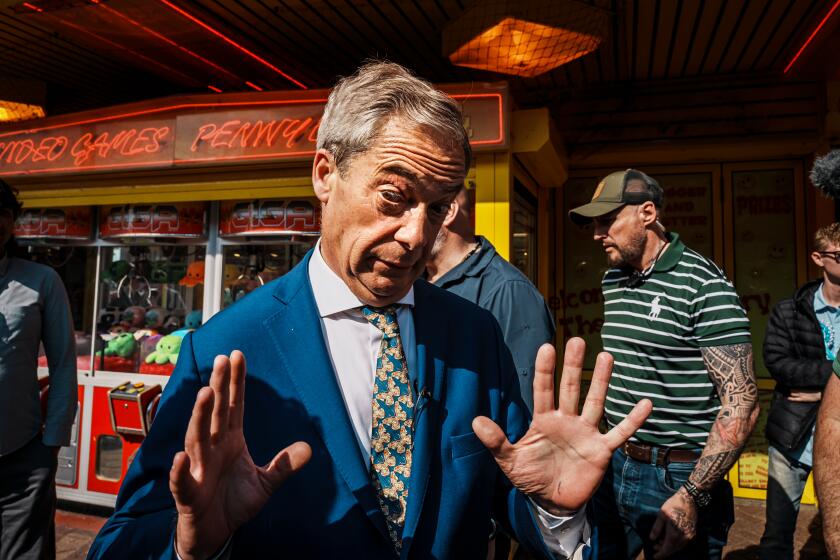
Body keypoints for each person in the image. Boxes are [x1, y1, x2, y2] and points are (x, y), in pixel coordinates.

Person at [87, 62, 651, 560]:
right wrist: (194, 547)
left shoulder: (473, 335)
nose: (416, 236)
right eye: (394, 197)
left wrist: (557, 514)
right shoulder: (224, 351)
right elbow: (126, 538)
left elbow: (511, 495)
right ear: (325, 174)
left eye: (437, 208)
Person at [569, 169, 759, 559]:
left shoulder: (703, 285)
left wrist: (692, 494)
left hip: (679, 475)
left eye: (607, 221)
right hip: (615, 462)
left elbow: (741, 403)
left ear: (648, 213)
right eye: (594, 224)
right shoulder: (613, 280)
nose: (597, 234)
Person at [425, 185, 555, 412]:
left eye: (417, 207)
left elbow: (524, 408)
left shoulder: (510, 291)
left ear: (447, 211)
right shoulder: (413, 281)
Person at [0, 180, 78, 559]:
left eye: (4, 212)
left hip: (22, 456)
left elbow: (64, 364)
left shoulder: (41, 280)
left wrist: (52, 446)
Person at [759, 224, 839, 559]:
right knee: (777, 536)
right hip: (793, 439)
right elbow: (778, 364)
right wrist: (836, 374)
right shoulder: (790, 309)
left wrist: (820, 393)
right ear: (818, 258)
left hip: (836, 437)